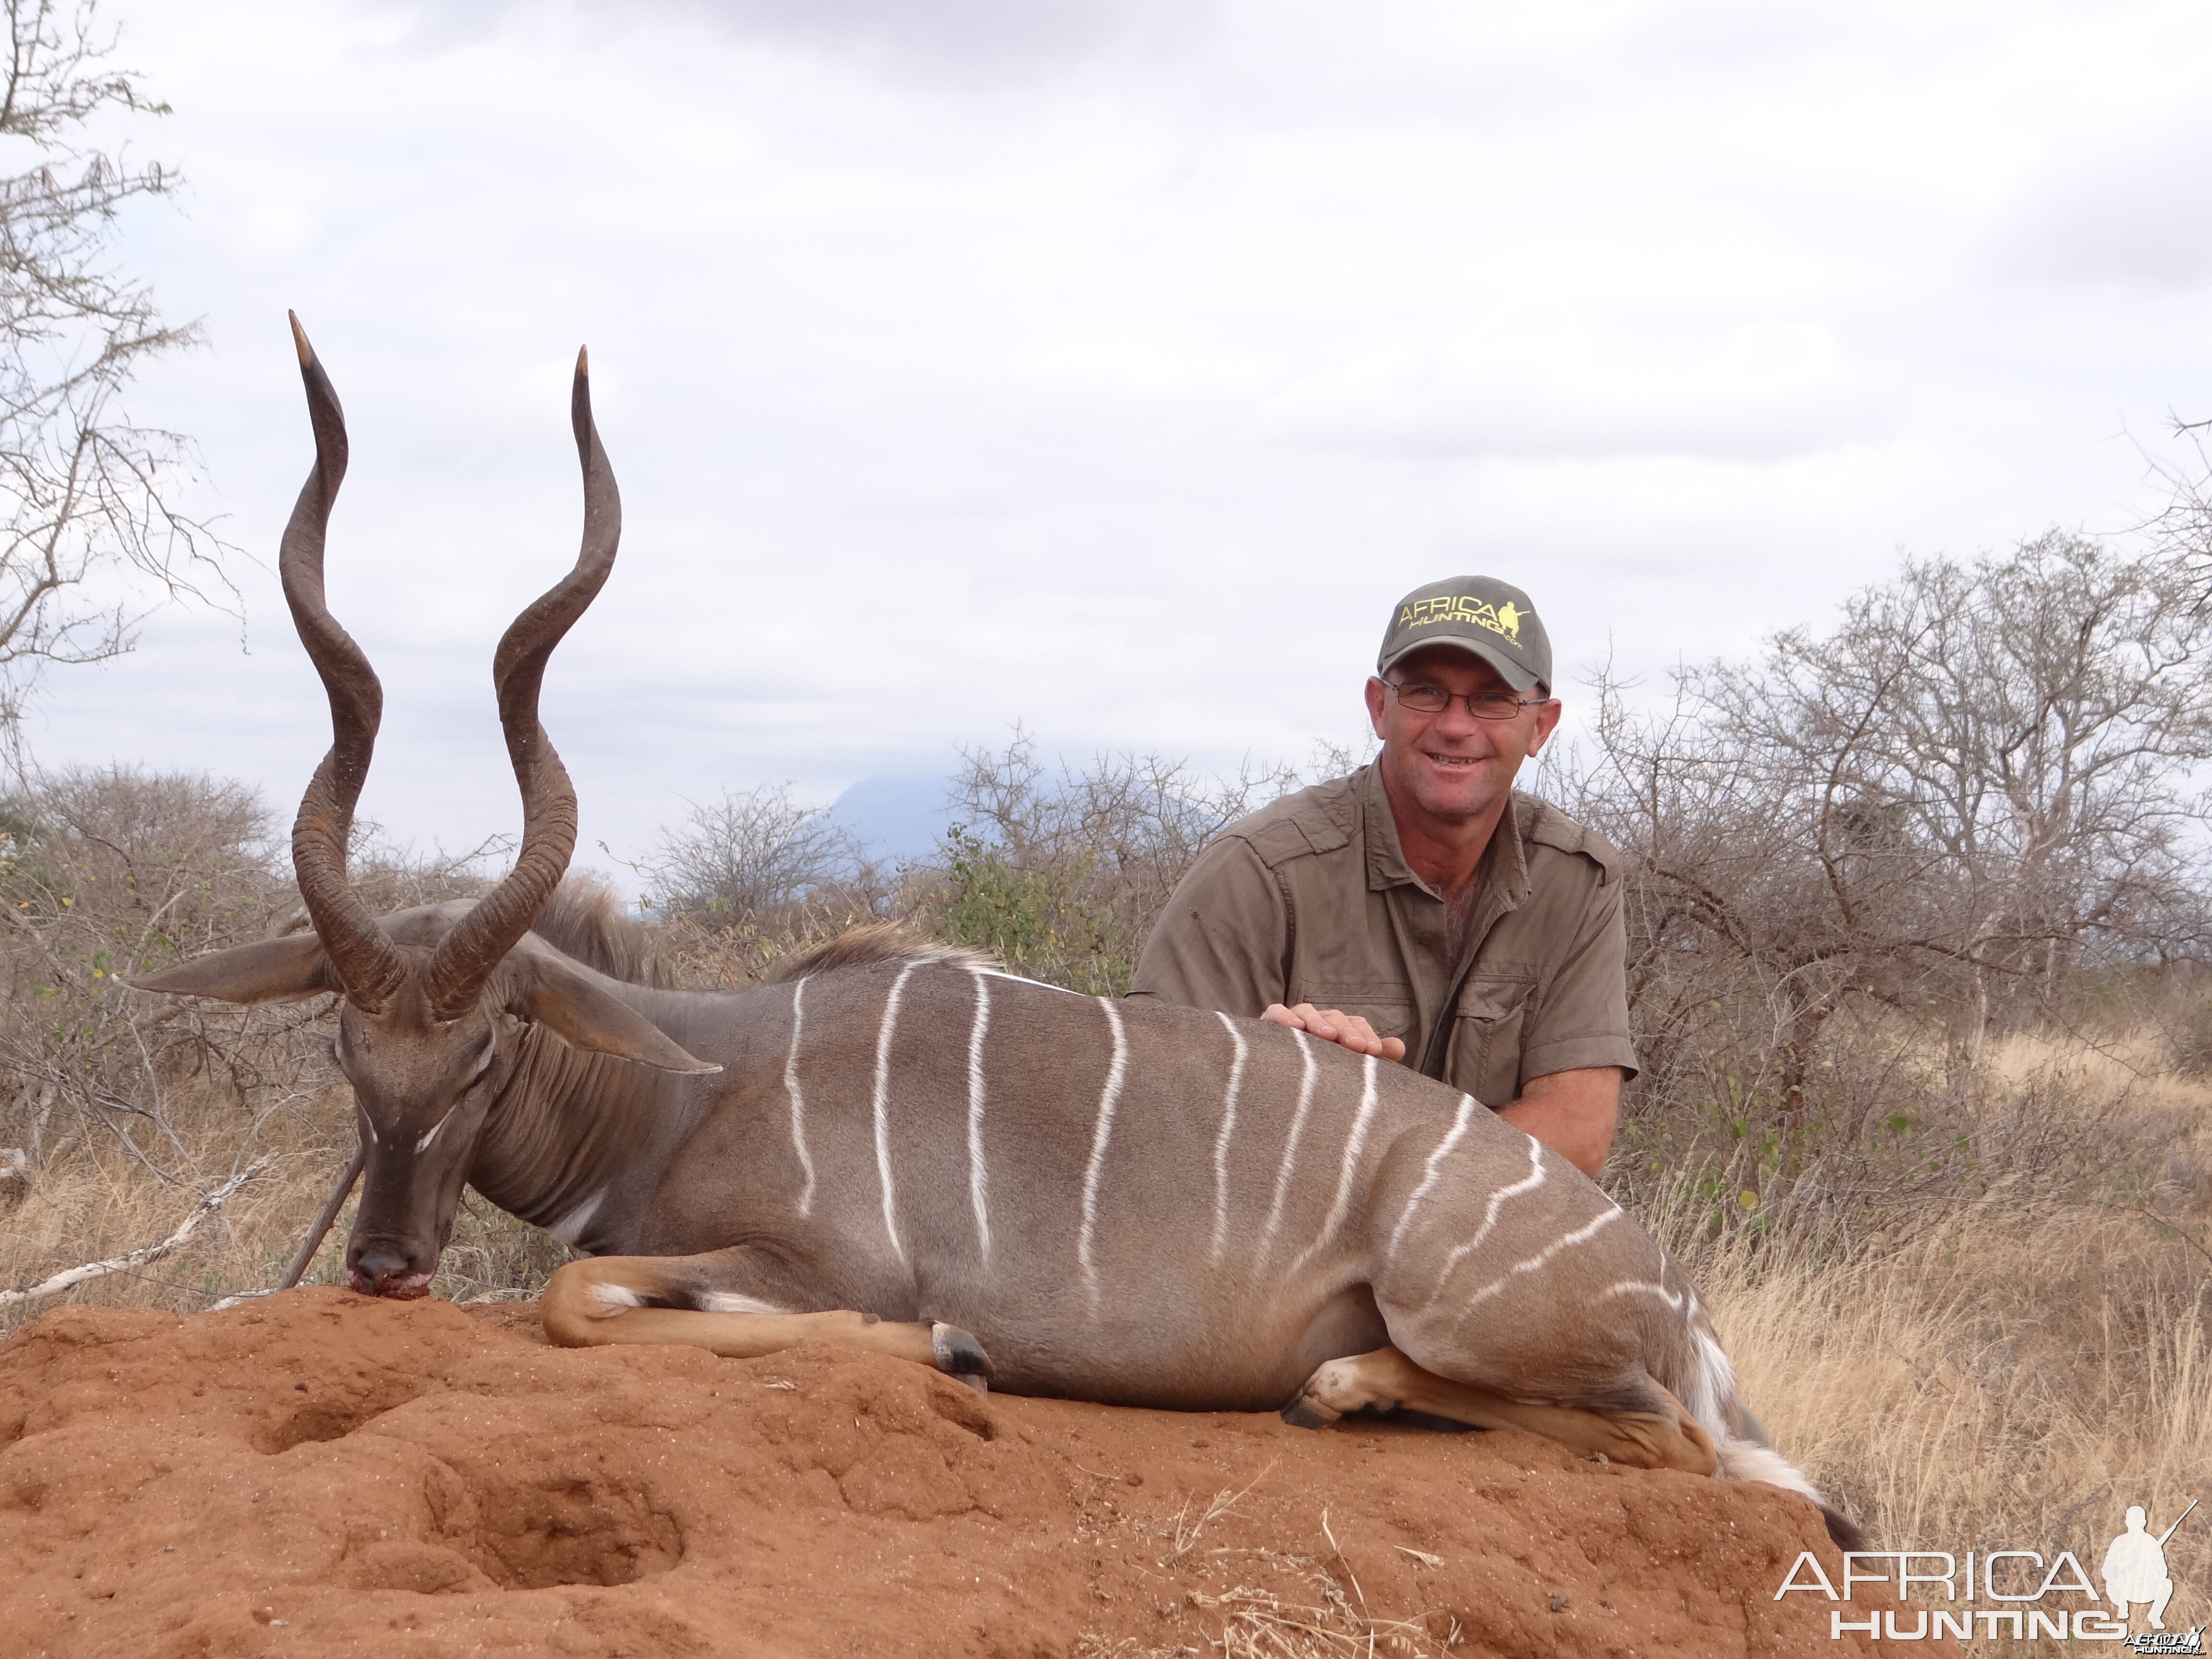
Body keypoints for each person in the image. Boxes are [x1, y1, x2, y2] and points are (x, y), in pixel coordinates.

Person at [1126, 576, 1633, 1178]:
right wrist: (1271, 1083)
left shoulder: (1578, 878)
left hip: (1473, 1244)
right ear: (1378, 706)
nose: (1455, 725)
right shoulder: (1258, 869)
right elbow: (1150, 1111)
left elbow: (1576, 1134)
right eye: (1425, 692)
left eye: (1492, 700)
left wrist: (1350, 1123)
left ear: (1541, 727)